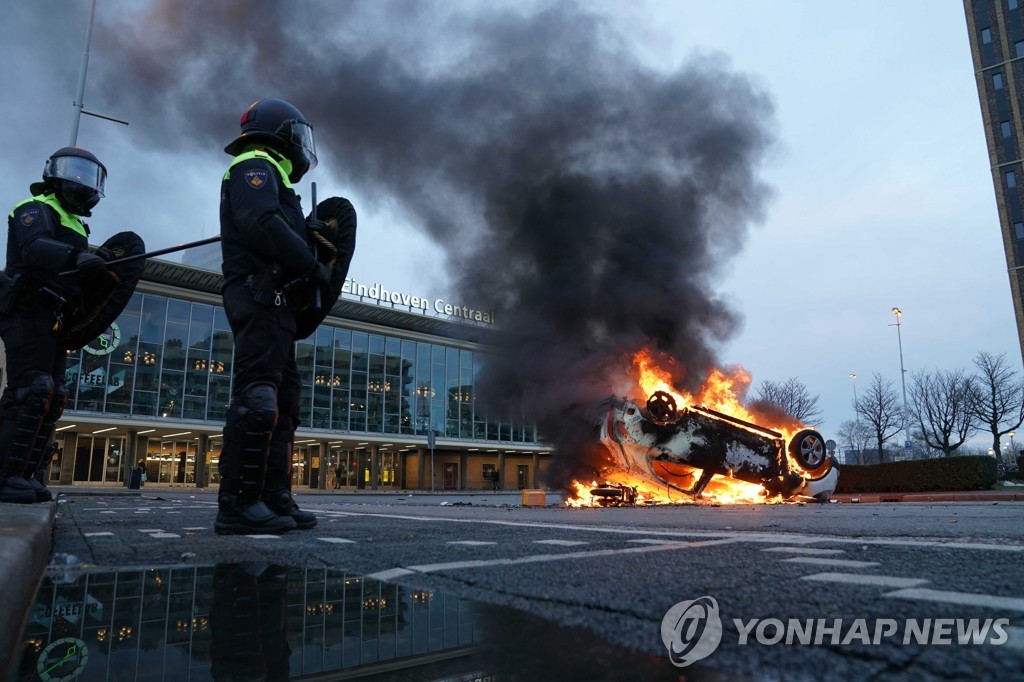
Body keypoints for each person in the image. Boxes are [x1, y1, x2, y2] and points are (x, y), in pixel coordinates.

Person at [215, 98, 356, 535]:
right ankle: (238, 504)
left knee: (284, 404)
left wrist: (313, 238)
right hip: (258, 297)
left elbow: (281, 227)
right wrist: (311, 265)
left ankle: (274, 496)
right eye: (299, 136)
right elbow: (262, 224)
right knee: (257, 400)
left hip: (277, 303)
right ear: (282, 133)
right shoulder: (253, 165)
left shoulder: (274, 176)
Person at [0, 146, 145, 503]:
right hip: (27, 310)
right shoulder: (34, 208)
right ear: (54, 174)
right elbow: (34, 248)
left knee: (51, 396)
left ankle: (25, 474)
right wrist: (76, 256)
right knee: (28, 390)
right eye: (75, 172)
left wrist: (101, 267)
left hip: (57, 317)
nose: (83, 182)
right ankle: (4, 475)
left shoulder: (77, 223)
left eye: (90, 176)